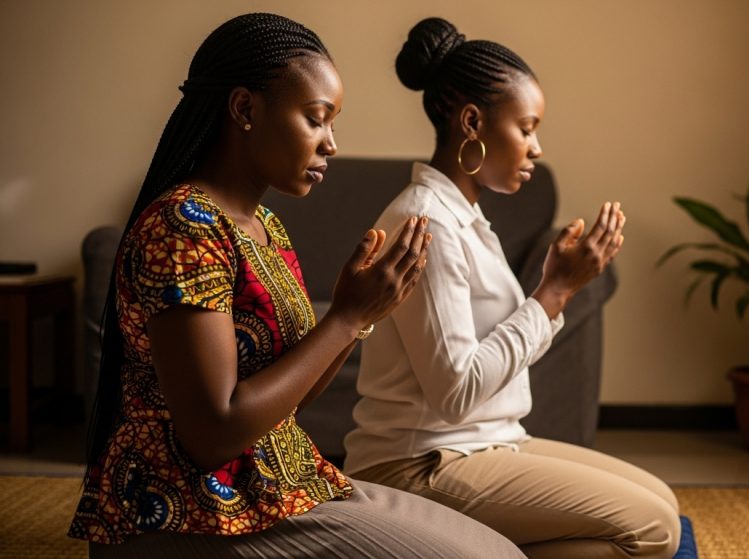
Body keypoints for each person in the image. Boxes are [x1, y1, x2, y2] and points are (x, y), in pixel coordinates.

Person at [69, 13, 526, 558]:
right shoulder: (184, 225)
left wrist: (363, 313)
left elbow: (288, 400)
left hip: (285, 481)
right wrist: (347, 319)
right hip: (196, 509)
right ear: (244, 108)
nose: (331, 143)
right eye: (317, 119)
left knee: (500, 551)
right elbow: (212, 434)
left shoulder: (266, 226)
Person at [343, 17, 682, 559]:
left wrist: (554, 290)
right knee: (654, 530)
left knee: (662, 502)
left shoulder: (466, 218)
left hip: (485, 443)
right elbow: (455, 394)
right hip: (420, 463)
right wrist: (553, 294)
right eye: (526, 128)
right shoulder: (426, 223)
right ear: (472, 122)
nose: (536, 147)